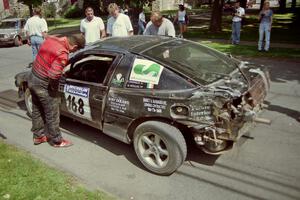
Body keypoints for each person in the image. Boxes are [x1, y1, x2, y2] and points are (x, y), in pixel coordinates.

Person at [28, 34, 85, 147]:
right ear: (74, 46)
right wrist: (54, 89)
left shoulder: (52, 38)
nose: (73, 52)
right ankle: (57, 140)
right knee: (52, 112)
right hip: (43, 83)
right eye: (76, 50)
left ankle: (38, 136)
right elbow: (53, 75)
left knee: (37, 108)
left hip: (33, 76)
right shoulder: (62, 54)